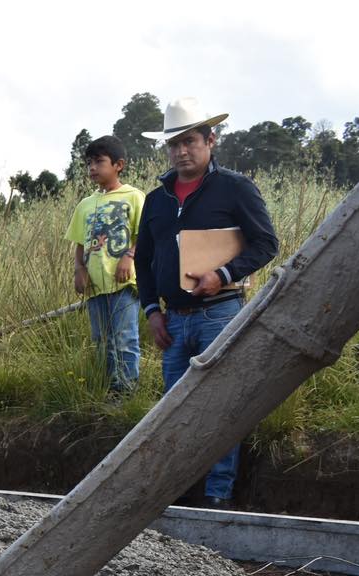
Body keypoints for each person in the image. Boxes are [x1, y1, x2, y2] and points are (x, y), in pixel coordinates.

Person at [135, 98, 278, 508]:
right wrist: (151, 310)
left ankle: (217, 497)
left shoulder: (234, 187)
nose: (181, 151)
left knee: (220, 407)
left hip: (220, 313)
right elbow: (143, 260)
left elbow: (267, 243)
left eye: (190, 141)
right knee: (173, 411)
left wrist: (225, 274)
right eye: (174, 144)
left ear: (210, 140)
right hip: (173, 320)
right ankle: (177, 494)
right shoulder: (157, 199)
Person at [66, 136, 145, 393]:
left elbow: (145, 235)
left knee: (124, 339)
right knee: (101, 341)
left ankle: (126, 394)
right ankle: (107, 391)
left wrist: (129, 256)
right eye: (89, 163)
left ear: (118, 165)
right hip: (95, 286)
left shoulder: (133, 197)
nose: (92, 168)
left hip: (123, 282)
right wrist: (79, 270)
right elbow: (79, 243)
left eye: (99, 162)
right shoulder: (85, 205)